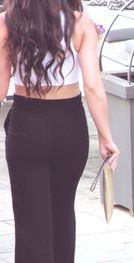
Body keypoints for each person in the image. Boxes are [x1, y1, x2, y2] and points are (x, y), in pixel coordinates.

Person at [0, 0, 120, 262]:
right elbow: (93, 86)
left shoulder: (8, 24)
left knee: (32, 223)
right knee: (63, 213)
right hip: (70, 126)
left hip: (27, 127)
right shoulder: (80, 23)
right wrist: (105, 136)